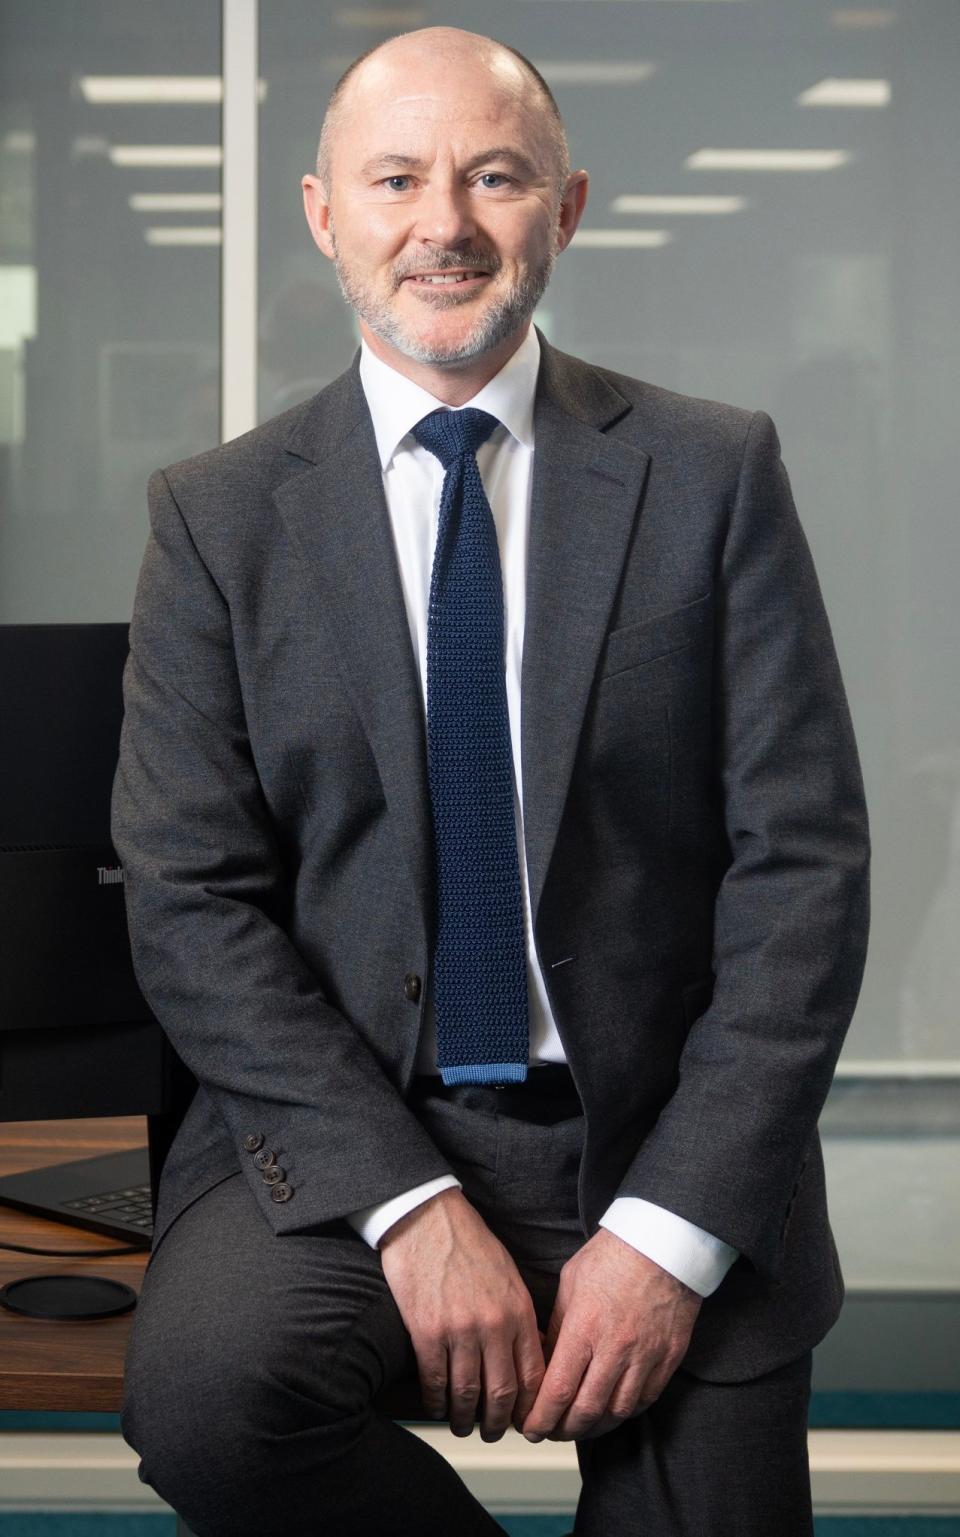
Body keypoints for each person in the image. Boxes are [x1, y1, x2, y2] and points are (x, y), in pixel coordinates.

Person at [111, 25, 870, 1537]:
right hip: (352, 1141)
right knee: (206, 1398)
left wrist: (665, 1232)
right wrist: (405, 1200)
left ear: (567, 207)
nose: (443, 224)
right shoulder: (219, 519)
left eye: (494, 176)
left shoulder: (712, 475)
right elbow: (194, 902)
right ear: (327, 216)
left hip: (657, 1136)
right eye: (395, 179)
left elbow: (805, 871)